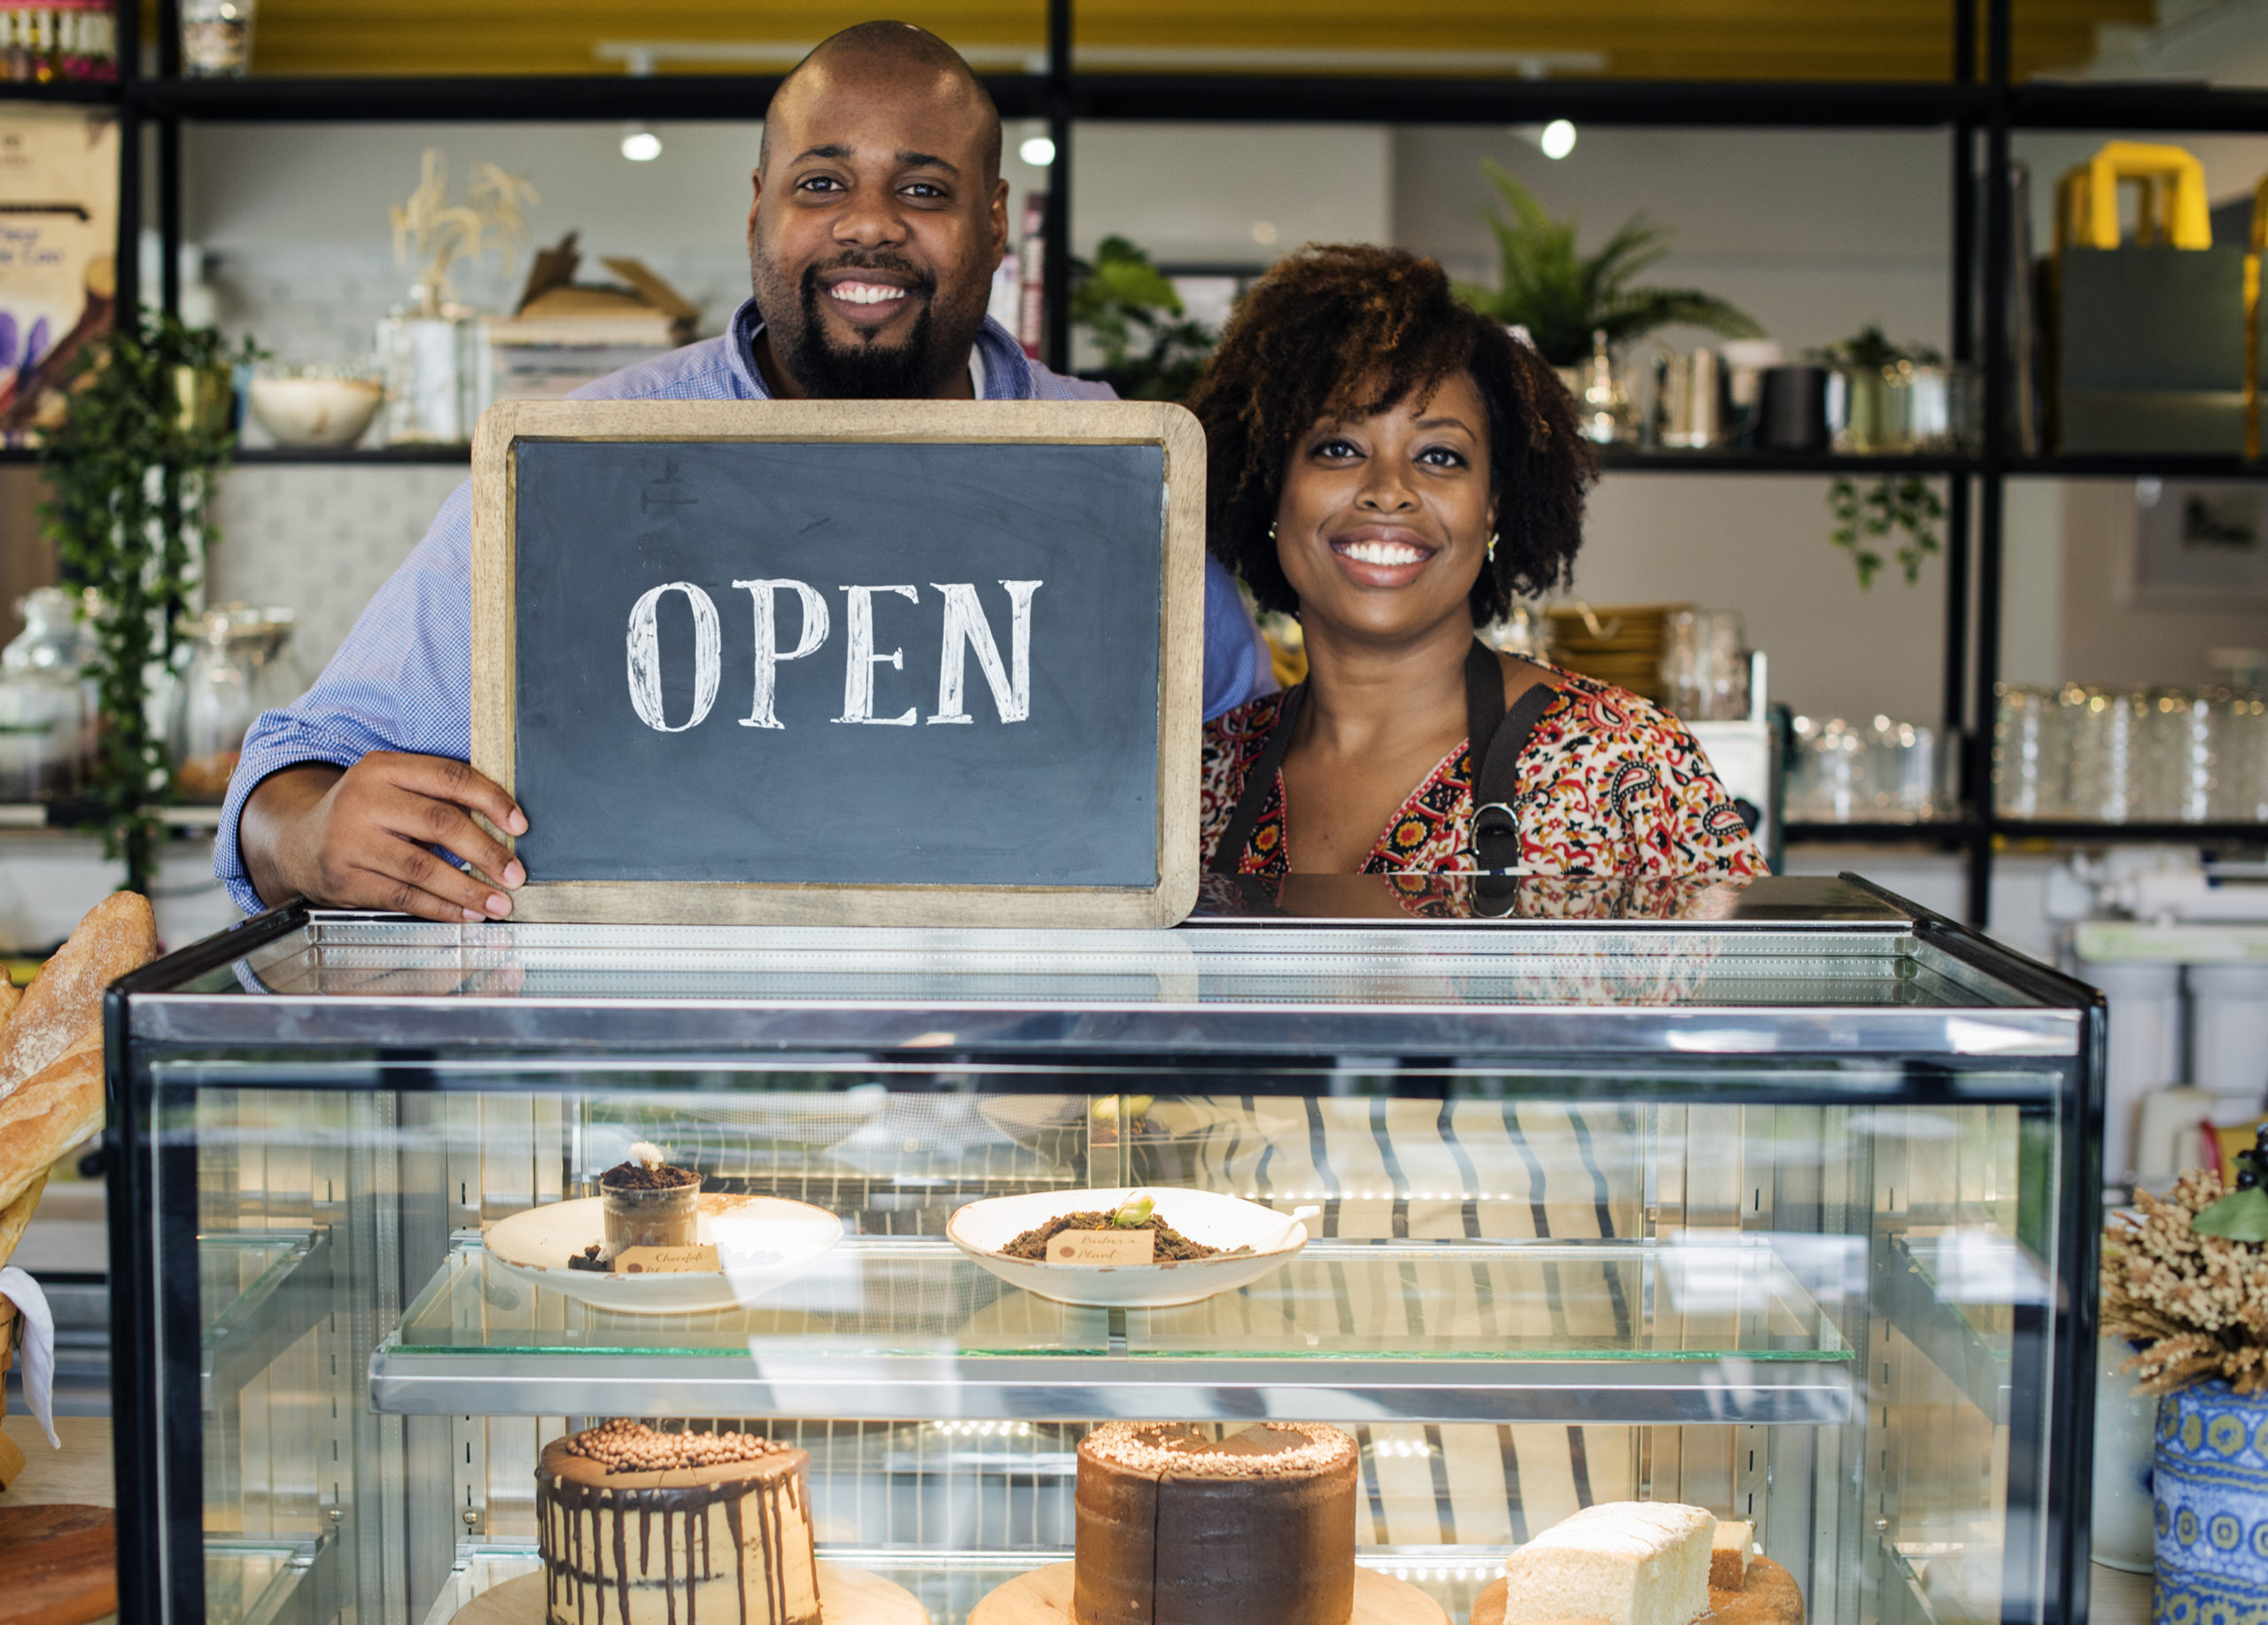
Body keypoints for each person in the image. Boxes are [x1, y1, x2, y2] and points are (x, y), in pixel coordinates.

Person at [218, 20, 1273, 924]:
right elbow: (295, 770)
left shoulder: (1123, 475)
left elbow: (1255, 775)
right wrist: (310, 836)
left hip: (1029, 1101)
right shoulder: (583, 461)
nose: (869, 223)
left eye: (923, 187)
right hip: (662, 1123)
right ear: (759, 205)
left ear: (994, 222)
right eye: (823, 183)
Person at [1187, 244, 1765, 880]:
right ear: (1272, 489)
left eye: (1439, 456)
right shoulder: (1204, 776)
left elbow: (1759, 982)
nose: (1389, 488)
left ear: (1491, 508)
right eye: (1339, 447)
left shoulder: (1624, 764)